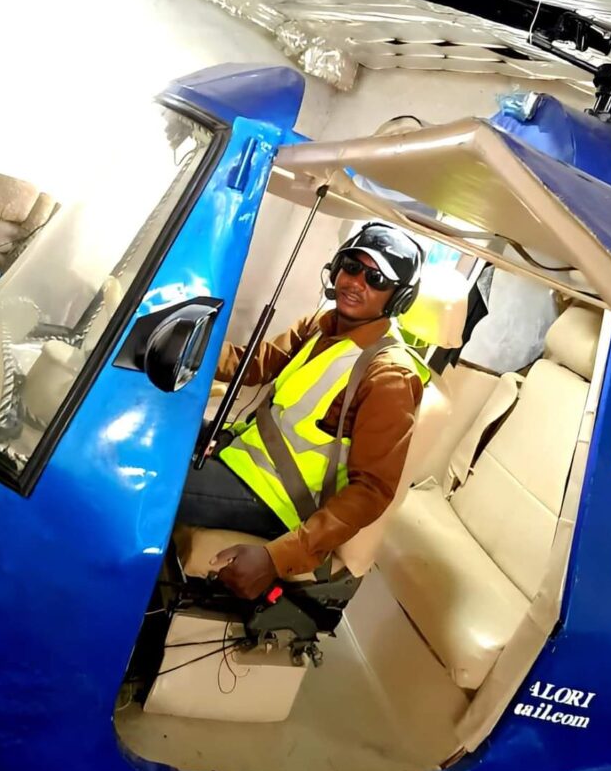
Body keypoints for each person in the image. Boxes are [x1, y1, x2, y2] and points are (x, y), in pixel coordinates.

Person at [177, 222, 429, 599]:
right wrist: (182, 342)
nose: (357, 282)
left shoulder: (389, 375)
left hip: (275, 500)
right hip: (241, 459)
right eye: (352, 267)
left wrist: (279, 557)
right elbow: (254, 364)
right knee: (156, 427)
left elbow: (371, 491)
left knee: (150, 478)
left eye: (377, 279)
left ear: (397, 299)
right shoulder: (321, 325)